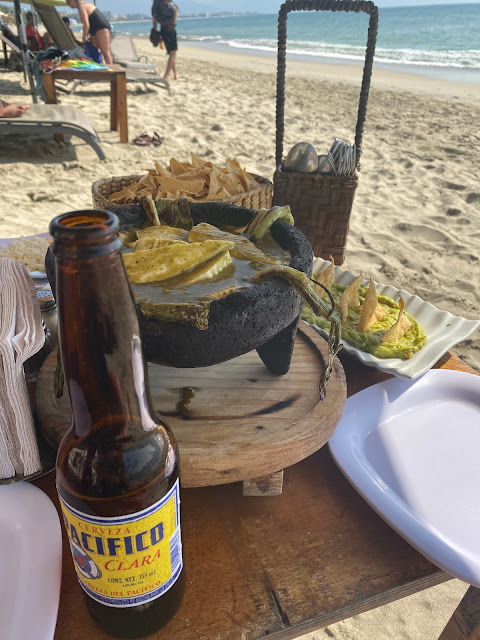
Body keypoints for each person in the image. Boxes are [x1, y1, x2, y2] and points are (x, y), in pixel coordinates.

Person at [65, 0, 113, 64]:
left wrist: (84, 37)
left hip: (101, 27)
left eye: (68, 2)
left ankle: (111, 68)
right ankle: (97, 65)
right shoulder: (81, 6)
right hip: (93, 28)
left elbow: (86, 24)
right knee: (93, 50)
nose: (68, 4)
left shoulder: (82, 6)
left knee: (105, 52)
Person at [152, 0, 178, 80]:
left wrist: (157, 32)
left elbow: (154, 21)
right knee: (173, 54)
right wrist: (176, 11)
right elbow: (173, 22)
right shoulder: (169, 8)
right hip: (170, 31)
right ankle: (166, 75)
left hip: (162, 30)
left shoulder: (156, 6)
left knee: (171, 53)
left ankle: (175, 74)